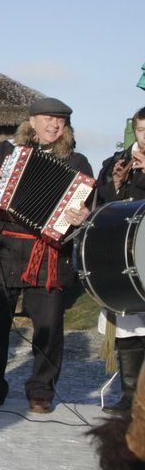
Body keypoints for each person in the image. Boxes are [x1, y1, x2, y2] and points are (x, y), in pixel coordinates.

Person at [0, 97, 92, 414]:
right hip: (4, 251)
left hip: (47, 254)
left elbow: (89, 210)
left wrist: (82, 215)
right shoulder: (6, 152)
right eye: (48, 118)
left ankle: (41, 392)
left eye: (60, 121)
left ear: (66, 128)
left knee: (48, 329)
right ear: (32, 121)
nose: (54, 125)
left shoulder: (77, 163)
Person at [92, 107, 145, 415]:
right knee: (128, 326)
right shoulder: (117, 162)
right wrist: (115, 182)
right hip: (125, 257)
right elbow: (104, 206)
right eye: (141, 131)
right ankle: (131, 397)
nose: (144, 138)